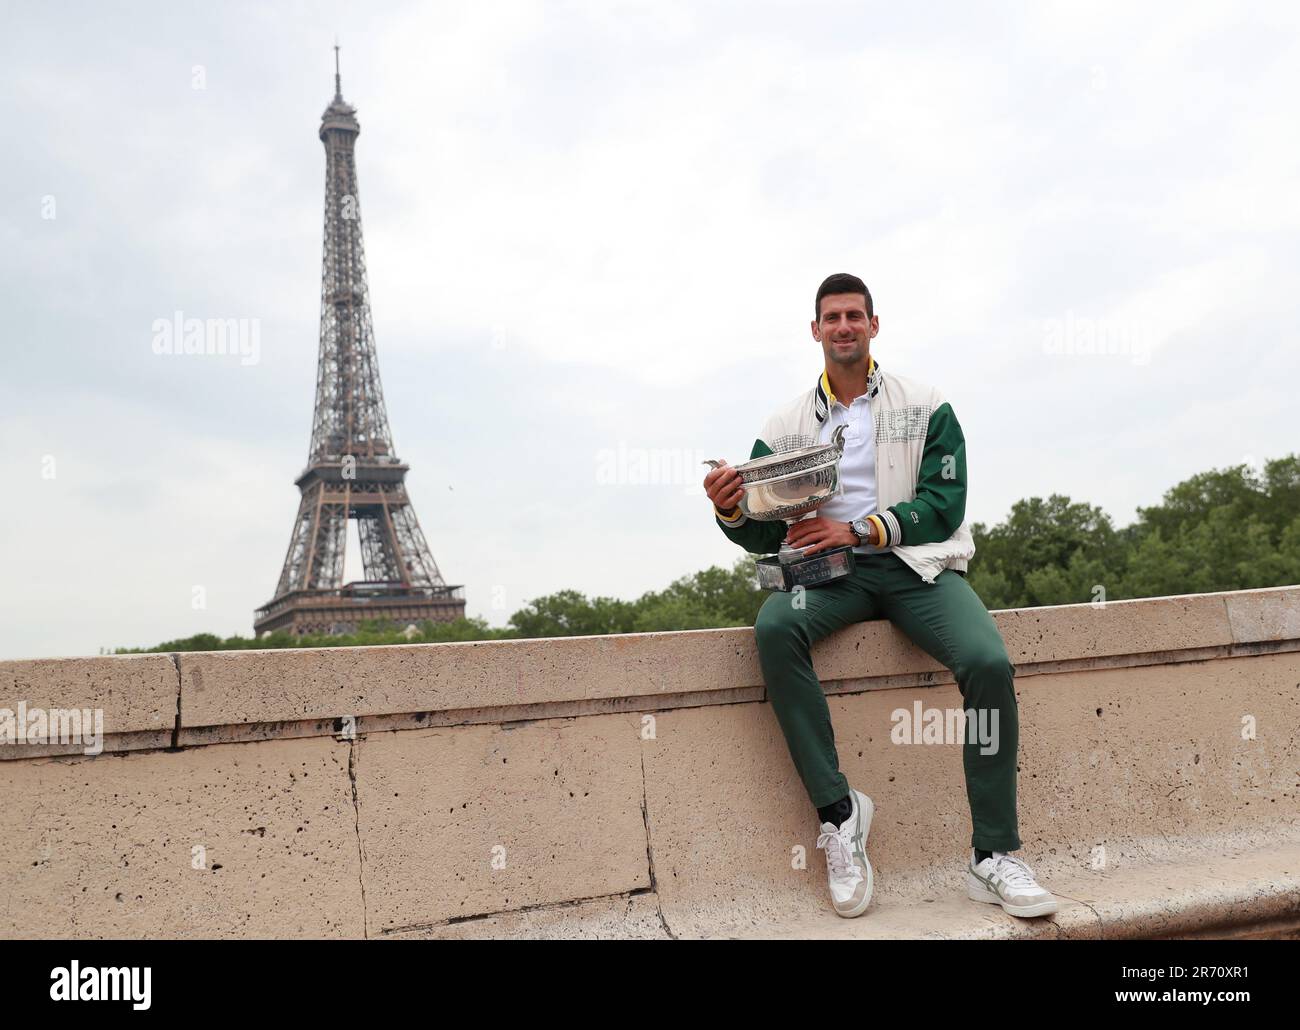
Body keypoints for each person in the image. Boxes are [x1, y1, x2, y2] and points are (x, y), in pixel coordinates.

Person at [703, 273, 1058, 920]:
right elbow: (759, 528)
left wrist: (862, 527)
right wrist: (729, 509)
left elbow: (945, 505)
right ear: (815, 331)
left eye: (854, 316)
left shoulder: (926, 403)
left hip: (914, 567)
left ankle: (994, 856)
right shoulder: (784, 424)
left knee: (987, 663)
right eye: (831, 317)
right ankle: (840, 816)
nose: (843, 326)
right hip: (827, 576)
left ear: (873, 325)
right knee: (775, 630)